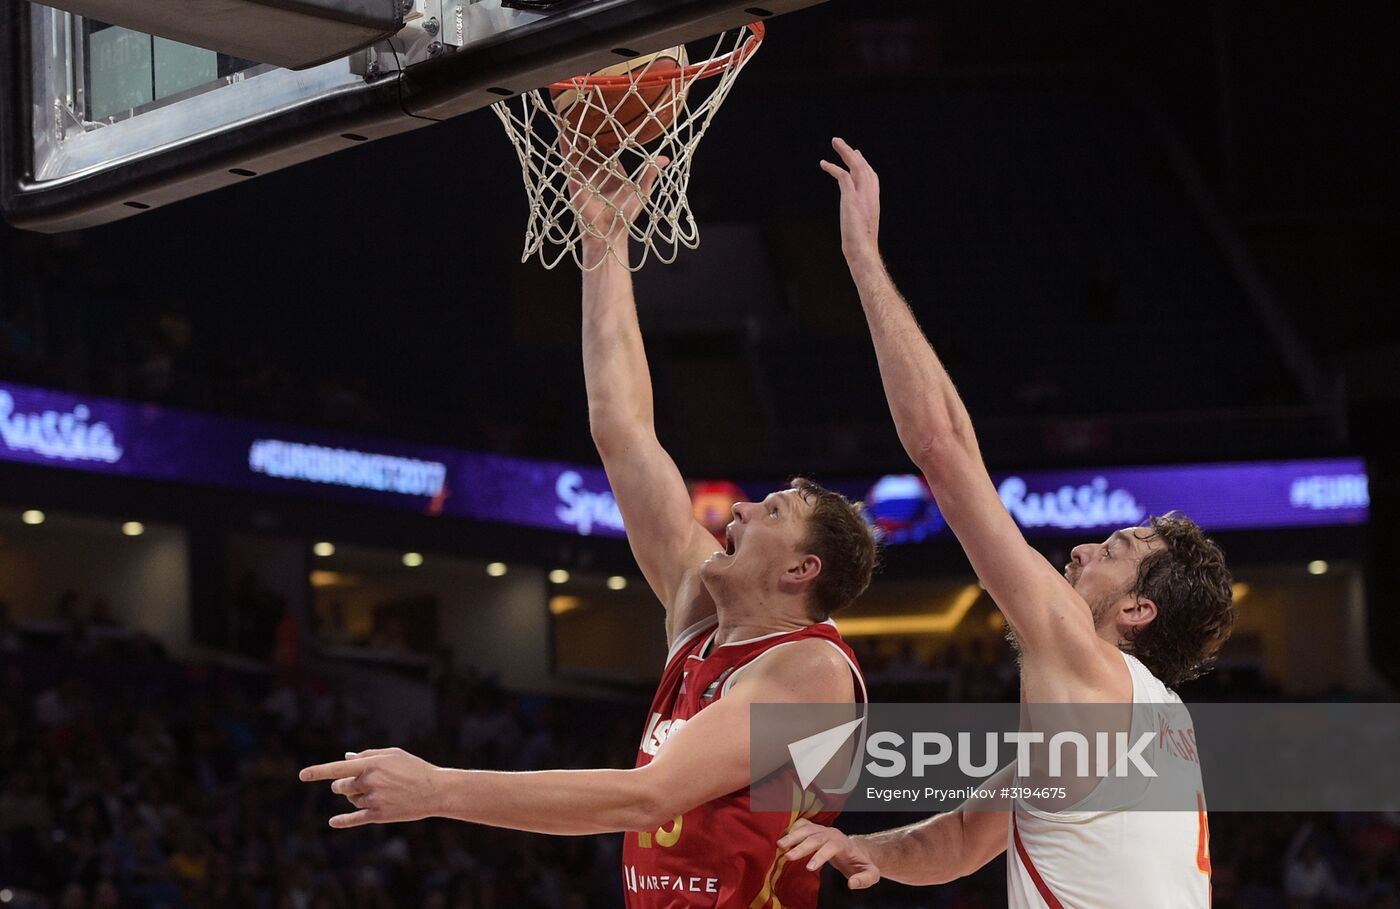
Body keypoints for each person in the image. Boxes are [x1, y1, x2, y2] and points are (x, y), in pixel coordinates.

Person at [300, 156, 879, 908]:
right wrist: (604, 244)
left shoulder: (811, 673)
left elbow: (647, 798)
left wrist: (440, 788)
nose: (735, 510)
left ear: (803, 570)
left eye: (768, 512)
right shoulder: (702, 619)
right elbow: (624, 431)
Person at [777, 139, 1236, 908]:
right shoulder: (1146, 720)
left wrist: (861, 257)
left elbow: (942, 450)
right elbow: (959, 839)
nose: (1083, 546)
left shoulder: (1093, 673)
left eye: (1117, 549)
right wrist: (860, 846)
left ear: (1136, 610)